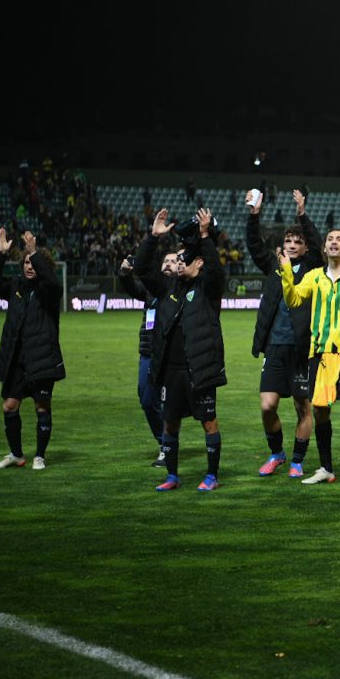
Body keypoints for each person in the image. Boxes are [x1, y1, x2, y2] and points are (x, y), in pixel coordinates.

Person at [136, 208, 227, 492]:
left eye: (184, 260)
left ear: (198, 263)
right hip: (172, 371)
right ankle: (172, 476)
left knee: (208, 422)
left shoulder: (209, 290)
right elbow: (141, 270)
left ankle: (212, 475)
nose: (179, 264)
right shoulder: (167, 288)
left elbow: (215, 268)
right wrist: (153, 238)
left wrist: (204, 235)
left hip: (199, 369)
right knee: (170, 424)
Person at [280, 226, 340, 485]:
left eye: (339, 239)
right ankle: (326, 468)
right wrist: (287, 271)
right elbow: (294, 299)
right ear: (324, 248)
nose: (334, 242)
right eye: (330, 239)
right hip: (319, 353)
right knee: (320, 411)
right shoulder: (314, 276)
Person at [247, 188, 323, 480]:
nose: (292, 245)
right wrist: (254, 216)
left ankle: (298, 460)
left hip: (302, 348)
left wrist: (302, 214)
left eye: (297, 242)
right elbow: (254, 246)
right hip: (275, 346)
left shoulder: (312, 267)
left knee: (303, 407)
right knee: (268, 406)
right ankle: (277, 454)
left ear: (304, 249)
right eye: (288, 241)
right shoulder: (274, 267)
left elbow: (317, 243)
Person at [0, 228, 65, 471]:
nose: (29, 266)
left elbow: (51, 280)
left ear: (42, 265)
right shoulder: (15, 288)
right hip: (16, 360)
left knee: (41, 407)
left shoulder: (49, 291)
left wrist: (33, 250)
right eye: (26, 262)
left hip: (41, 359)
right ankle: (16, 454)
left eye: (33, 262)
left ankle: (39, 456)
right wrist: (0, 254)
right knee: (9, 406)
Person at [118, 251, 180, 467]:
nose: (168, 264)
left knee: (172, 403)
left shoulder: (181, 289)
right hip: (149, 353)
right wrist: (125, 274)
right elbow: (132, 287)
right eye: (165, 261)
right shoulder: (149, 290)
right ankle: (164, 443)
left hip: (173, 356)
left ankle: (169, 445)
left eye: (173, 261)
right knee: (146, 399)